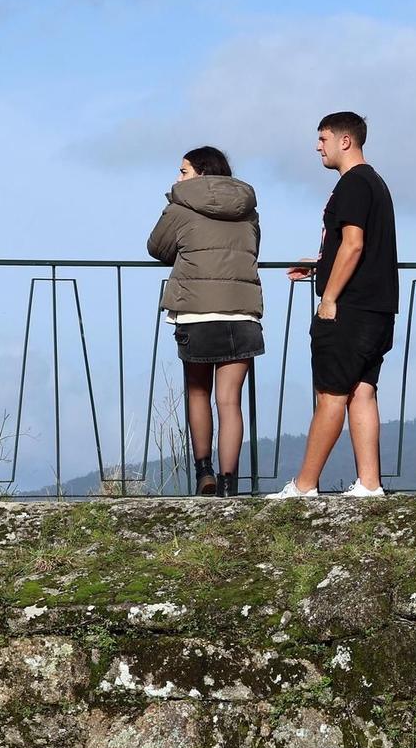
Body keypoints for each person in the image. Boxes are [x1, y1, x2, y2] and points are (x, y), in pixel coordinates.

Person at [275, 112, 399, 500]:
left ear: (345, 141)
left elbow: (354, 243)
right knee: (363, 391)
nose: (318, 146)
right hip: (378, 307)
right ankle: (369, 483)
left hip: (349, 308)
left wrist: (328, 296)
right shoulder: (375, 183)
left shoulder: (353, 184)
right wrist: (318, 266)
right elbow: (358, 247)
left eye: (323, 138)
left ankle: (304, 485)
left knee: (331, 394)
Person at [147, 146, 263, 498]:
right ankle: (230, 484)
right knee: (230, 402)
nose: (178, 177)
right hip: (242, 311)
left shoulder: (180, 207)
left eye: (183, 171)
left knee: (198, 393)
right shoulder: (248, 210)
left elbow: (157, 246)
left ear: (199, 172)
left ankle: (204, 475)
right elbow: (253, 248)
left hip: (196, 312)